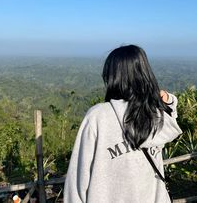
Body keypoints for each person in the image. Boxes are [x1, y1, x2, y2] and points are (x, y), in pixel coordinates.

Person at [64, 45, 182, 203]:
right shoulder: (155, 115)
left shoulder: (98, 117)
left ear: (113, 76)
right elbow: (171, 112)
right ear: (145, 73)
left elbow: (78, 179)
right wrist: (169, 98)